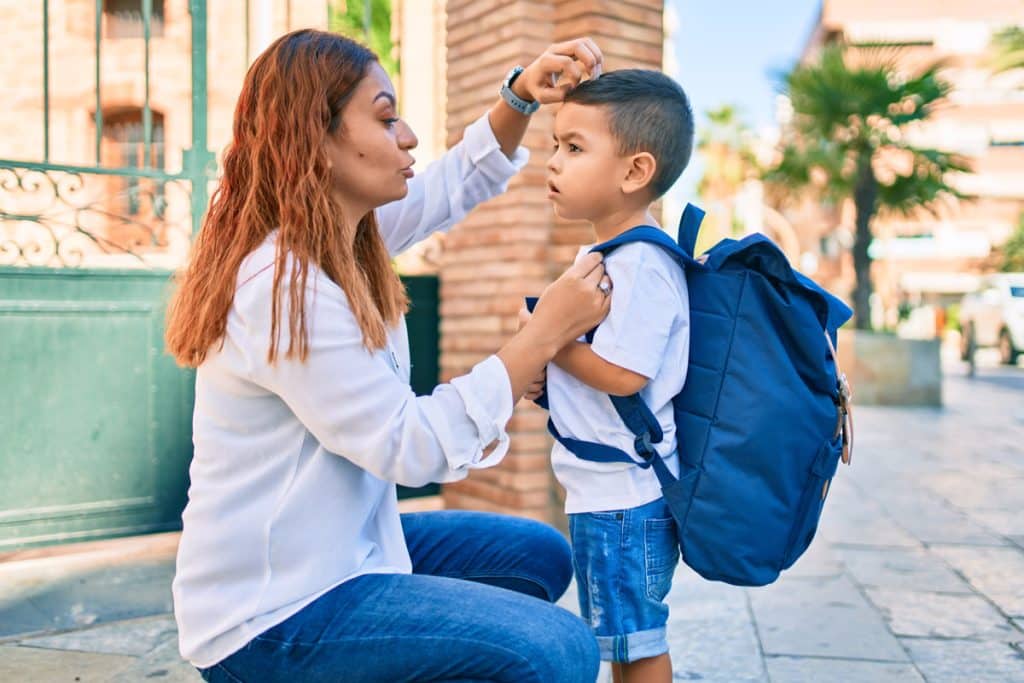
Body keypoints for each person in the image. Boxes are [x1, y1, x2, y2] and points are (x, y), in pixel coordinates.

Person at [164, 28, 612, 683]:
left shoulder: (342, 240)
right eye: (385, 117)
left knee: (540, 555)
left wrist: (520, 96)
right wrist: (540, 338)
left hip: (342, 552)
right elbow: (412, 445)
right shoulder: (285, 288)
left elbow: (452, 184)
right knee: (556, 649)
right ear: (314, 140)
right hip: (272, 617)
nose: (407, 137)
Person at [540, 69, 696, 682]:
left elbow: (626, 375)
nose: (553, 161)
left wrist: (549, 340)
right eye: (555, 144)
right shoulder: (607, 257)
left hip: (626, 501)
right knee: (624, 645)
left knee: (638, 646)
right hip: (607, 496)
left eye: (574, 148)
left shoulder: (643, 263)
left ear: (635, 171)